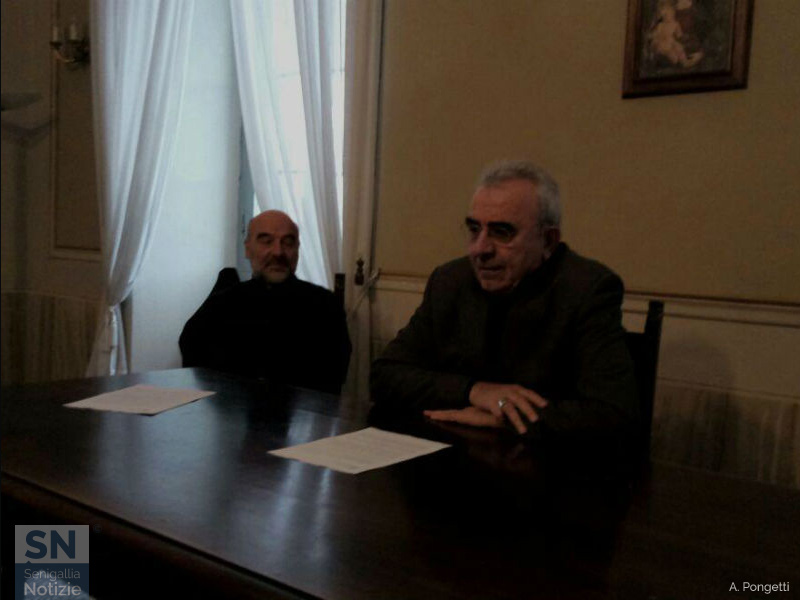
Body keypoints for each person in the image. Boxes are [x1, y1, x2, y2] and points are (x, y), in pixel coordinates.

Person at [370, 161, 637, 441]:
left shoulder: (586, 290)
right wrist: (474, 391)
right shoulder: (450, 281)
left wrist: (503, 417)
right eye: (474, 229)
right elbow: (384, 376)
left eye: (501, 232)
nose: (480, 249)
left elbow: (614, 414)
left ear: (548, 241)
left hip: (546, 462)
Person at [179, 210, 351, 394]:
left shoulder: (325, 307)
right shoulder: (220, 306)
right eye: (266, 241)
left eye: (288, 242)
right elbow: (193, 354)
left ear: (297, 251)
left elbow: (331, 377)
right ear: (248, 249)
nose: (278, 252)